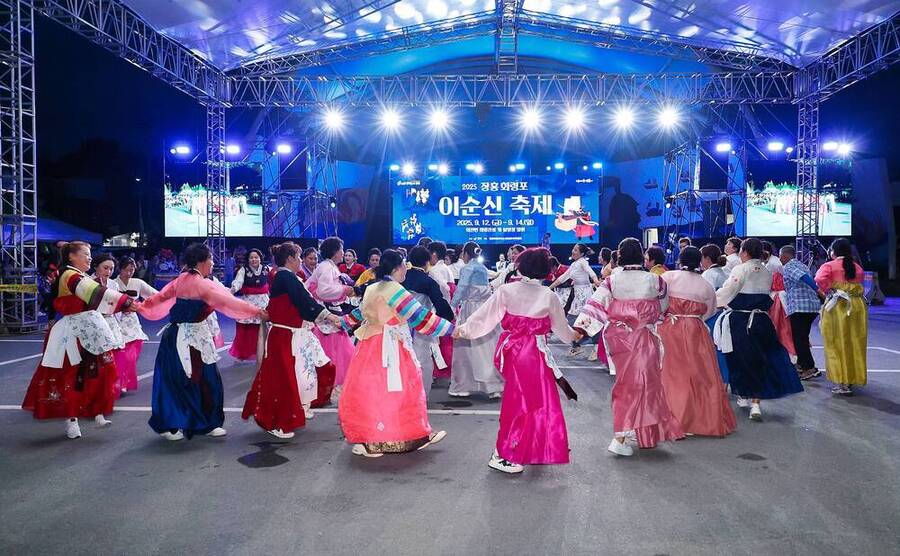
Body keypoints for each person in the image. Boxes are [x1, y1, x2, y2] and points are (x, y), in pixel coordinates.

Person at [454, 248, 577, 474]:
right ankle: (512, 451)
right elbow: (563, 330)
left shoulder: (507, 290)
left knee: (519, 401)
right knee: (537, 401)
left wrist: (463, 330)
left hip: (514, 351)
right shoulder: (549, 296)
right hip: (536, 353)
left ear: (520, 266)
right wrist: (575, 336)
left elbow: (485, 316)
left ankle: (515, 450)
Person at [137, 243, 266, 441]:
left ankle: (179, 423)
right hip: (190, 339)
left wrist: (140, 306)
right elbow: (227, 302)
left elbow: (159, 298)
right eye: (211, 259)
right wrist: (255, 311)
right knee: (202, 380)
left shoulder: (183, 279)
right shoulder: (201, 283)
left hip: (177, 336)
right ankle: (202, 423)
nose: (213, 263)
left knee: (177, 380)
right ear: (201, 261)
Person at [575, 237, 684, 456]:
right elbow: (663, 308)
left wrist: (579, 331)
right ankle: (620, 436)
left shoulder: (612, 281)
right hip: (644, 337)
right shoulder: (656, 281)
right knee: (644, 384)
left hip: (619, 338)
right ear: (642, 255)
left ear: (620, 256)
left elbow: (595, 306)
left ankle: (632, 429)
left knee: (628, 383)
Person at [338, 250, 453, 457]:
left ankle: (368, 437)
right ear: (398, 267)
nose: (406, 271)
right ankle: (405, 433)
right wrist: (452, 329)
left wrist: (336, 321)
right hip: (390, 347)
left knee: (369, 391)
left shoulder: (373, 287)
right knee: (399, 390)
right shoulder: (395, 290)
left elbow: (357, 314)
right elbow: (421, 317)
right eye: (404, 266)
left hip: (368, 346)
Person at [22, 241, 136, 439]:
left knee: (102, 370)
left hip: (92, 329)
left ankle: (97, 410)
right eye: (85, 254)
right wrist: (125, 302)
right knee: (72, 376)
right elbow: (94, 294)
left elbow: (99, 297)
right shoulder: (70, 275)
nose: (89, 258)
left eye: (90, 254)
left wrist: (125, 302)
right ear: (71, 257)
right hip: (72, 333)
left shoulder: (80, 275)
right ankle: (71, 419)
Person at [242, 243, 343, 438]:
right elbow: (304, 303)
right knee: (283, 381)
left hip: (296, 334)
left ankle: (300, 406)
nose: (300, 261)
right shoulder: (285, 276)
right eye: (298, 257)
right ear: (289, 259)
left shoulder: (287, 277)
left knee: (305, 374)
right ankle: (276, 421)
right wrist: (330, 317)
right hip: (285, 337)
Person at [713, 238, 803, 421]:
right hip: (762, 320)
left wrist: (712, 299)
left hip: (742, 320)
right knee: (760, 359)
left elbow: (729, 290)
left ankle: (745, 395)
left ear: (744, 252)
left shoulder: (741, 269)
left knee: (740, 358)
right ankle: (755, 402)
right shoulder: (766, 270)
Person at [658, 247, 736, 437]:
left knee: (670, 374)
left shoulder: (668, 278)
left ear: (679, 259)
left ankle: (670, 416)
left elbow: (659, 305)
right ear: (700, 261)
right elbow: (710, 311)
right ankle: (696, 418)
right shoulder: (705, 284)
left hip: (670, 328)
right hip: (696, 330)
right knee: (699, 374)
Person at [450, 242, 505, 399]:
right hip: (484, 310)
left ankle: (464, 386)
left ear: (465, 254)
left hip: (469, 310)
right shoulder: (482, 268)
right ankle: (493, 386)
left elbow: (461, 289)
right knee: (487, 346)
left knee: (464, 348)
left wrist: (452, 307)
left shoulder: (467, 268)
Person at [306, 237, 356, 403]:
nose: (343, 252)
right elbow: (324, 291)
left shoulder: (328, 266)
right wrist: (344, 289)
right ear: (334, 251)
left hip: (329, 314)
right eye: (341, 249)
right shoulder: (326, 267)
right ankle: (329, 389)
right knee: (333, 353)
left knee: (336, 352)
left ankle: (328, 390)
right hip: (326, 318)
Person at [815, 238, 867, 396]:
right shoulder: (857, 267)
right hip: (857, 307)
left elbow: (819, 279)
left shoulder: (829, 266)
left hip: (838, 307)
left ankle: (842, 382)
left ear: (833, 251)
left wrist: (830, 289)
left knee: (836, 343)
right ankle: (851, 378)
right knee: (854, 343)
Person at [401, 246, 455, 396]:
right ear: (427, 262)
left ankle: (403, 393)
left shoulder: (401, 278)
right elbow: (440, 303)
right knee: (422, 359)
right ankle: (420, 394)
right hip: (420, 324)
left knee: (402, 358)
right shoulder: (428, 281)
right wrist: (450, 318)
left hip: (399, 325)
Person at [114, 257, 158, 396]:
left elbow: (154, 295)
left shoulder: (138, 283)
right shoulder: (113, 284)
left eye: (132, 270)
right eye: (126, 270)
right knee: (120, 356)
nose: (129, 273)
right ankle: (118, 382)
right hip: (116, 321)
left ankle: (124, 382)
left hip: (132, 323)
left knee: (131, 356)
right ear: (120, 269)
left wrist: (142, 305)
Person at [547, 243, 599, 357]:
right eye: (573, 249)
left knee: (589, 321)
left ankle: (596, 347)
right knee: (571, 321)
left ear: (581, 253)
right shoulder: (574, 264)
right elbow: (562, 278)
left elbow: (591, 272)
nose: (572, 251)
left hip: (586, 295)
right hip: (577, 296)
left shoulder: (582, 262)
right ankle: (577, 346)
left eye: (575, 250)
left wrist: (596, 281)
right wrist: (549, 288)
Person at [780, 245, 823, 381]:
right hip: (811, 306)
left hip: (800, 307)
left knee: (799, 339)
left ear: (786, 256)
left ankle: (808, 368)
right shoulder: (801, 264)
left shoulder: (789, 266)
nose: (780, 258)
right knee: (802, 337)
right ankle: (803, 364)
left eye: (781, 255)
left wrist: (819, 291)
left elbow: (804, 278)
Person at [90, 254, 128, 397]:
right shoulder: (88, 282)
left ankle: (114, 385)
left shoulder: (113, 284)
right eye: (105, 268)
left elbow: (117, 306)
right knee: (97, 357)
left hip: (110, 322)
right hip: (94, 322)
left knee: (116, 355)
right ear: (96, 267)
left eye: (111, 269)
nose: (108, 272)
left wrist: (118, 324)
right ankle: (96, 387)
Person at [229, 248, 270, 361]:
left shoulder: (267, 269)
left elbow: (274, 282)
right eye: (251, 257)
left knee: (263, 327)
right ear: (248, 259)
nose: (254, 259)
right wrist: (232, 290)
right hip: (248, 303)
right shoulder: (243, 270)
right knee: (246, 329)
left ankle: (264, 351)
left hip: (263, 303)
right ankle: (243, 353)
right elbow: (238, 282)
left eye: (256, 257)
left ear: (260, 258)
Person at [700, 244, 730, 383]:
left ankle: (717, 381)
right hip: (725, 315)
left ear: (706, 258)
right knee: (723, 349)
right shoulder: (725, 273)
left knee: (713, 350)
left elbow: (706, 297)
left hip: (712, 316)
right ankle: (725, 380)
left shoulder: (708, 274)